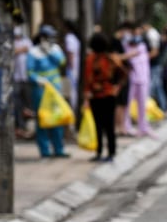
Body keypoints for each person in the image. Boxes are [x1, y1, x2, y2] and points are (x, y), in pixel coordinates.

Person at [27, 24, 70, 158]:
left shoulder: (55, 49)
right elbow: (30, 72)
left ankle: (59, 149)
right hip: (40, 90)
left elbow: (62, 62)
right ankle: (44, 150)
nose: (50, 39)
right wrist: (39, 80)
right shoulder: (33, 52)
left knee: (57, 118)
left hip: (55, 90)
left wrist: (50, 51)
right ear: (41, 37)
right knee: (43, 119)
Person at [83, 32, 127, 162]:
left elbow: (87, 80)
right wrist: (117, 88)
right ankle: (111, 152)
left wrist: (86, 96)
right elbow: (124, 74)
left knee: (98, 125)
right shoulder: (111, 58)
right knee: (109, 125)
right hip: (109, 95)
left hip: (95, 96)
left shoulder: (90, 59)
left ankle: (99, 152)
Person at [122, 23, 155, 138]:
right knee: (127, 104)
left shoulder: (143, 45)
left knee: (142, 104)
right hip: (132, 78)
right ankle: (126, 126)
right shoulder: (127, 44)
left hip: (143, 77)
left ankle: (143, 126)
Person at [13, 24, 33, 139]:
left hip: (26, 77)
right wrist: (20, 50)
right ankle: (20, 126)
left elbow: (28, 50)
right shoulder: (11, 41)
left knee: (28, 104)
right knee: (17, 104)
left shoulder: (27, 41)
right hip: (16, 78)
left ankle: (27, 127)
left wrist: (18, 50)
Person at [143, 21, 167, 111]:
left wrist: (142, 59)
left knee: (152, 86)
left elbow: (155, 51)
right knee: (157, 87)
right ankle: (162, 107)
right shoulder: (153, 34)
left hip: (155, 65)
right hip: (155, 65)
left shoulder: (152, 34)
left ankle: (148, 108)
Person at [63, 20, 82, 112]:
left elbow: (70, 53)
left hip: (72, 68)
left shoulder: (69, 38)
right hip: (75, 67)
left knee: (70, 91)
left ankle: (72, 111)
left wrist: (70, 66)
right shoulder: (75, 38)